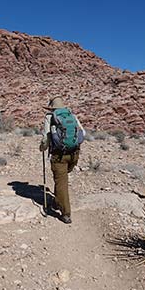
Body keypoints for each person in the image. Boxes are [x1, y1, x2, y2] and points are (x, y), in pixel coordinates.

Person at [39, 96, 85, 224]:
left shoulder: (50, 117)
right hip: (74, 154)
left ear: (52, 107)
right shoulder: (71, 115)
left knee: (61, 182)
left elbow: (46, 137)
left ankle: (66, 213)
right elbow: (83, 133)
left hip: (59, 155)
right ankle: (57, 200)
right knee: (61, 179)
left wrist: (42, 147)